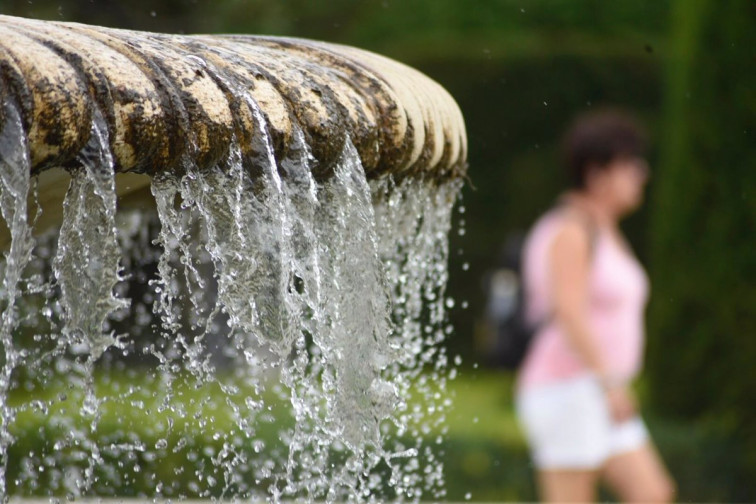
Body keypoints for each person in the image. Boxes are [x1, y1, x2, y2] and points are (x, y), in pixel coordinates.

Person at [515, 109, 676, 502]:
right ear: (597, 172)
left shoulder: (604, 230)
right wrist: (609, 383)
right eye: (630, 165)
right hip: (568, 385)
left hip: (596, 388)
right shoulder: (571, 229)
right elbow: (570, 313)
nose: (641, 174)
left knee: (653, 493)